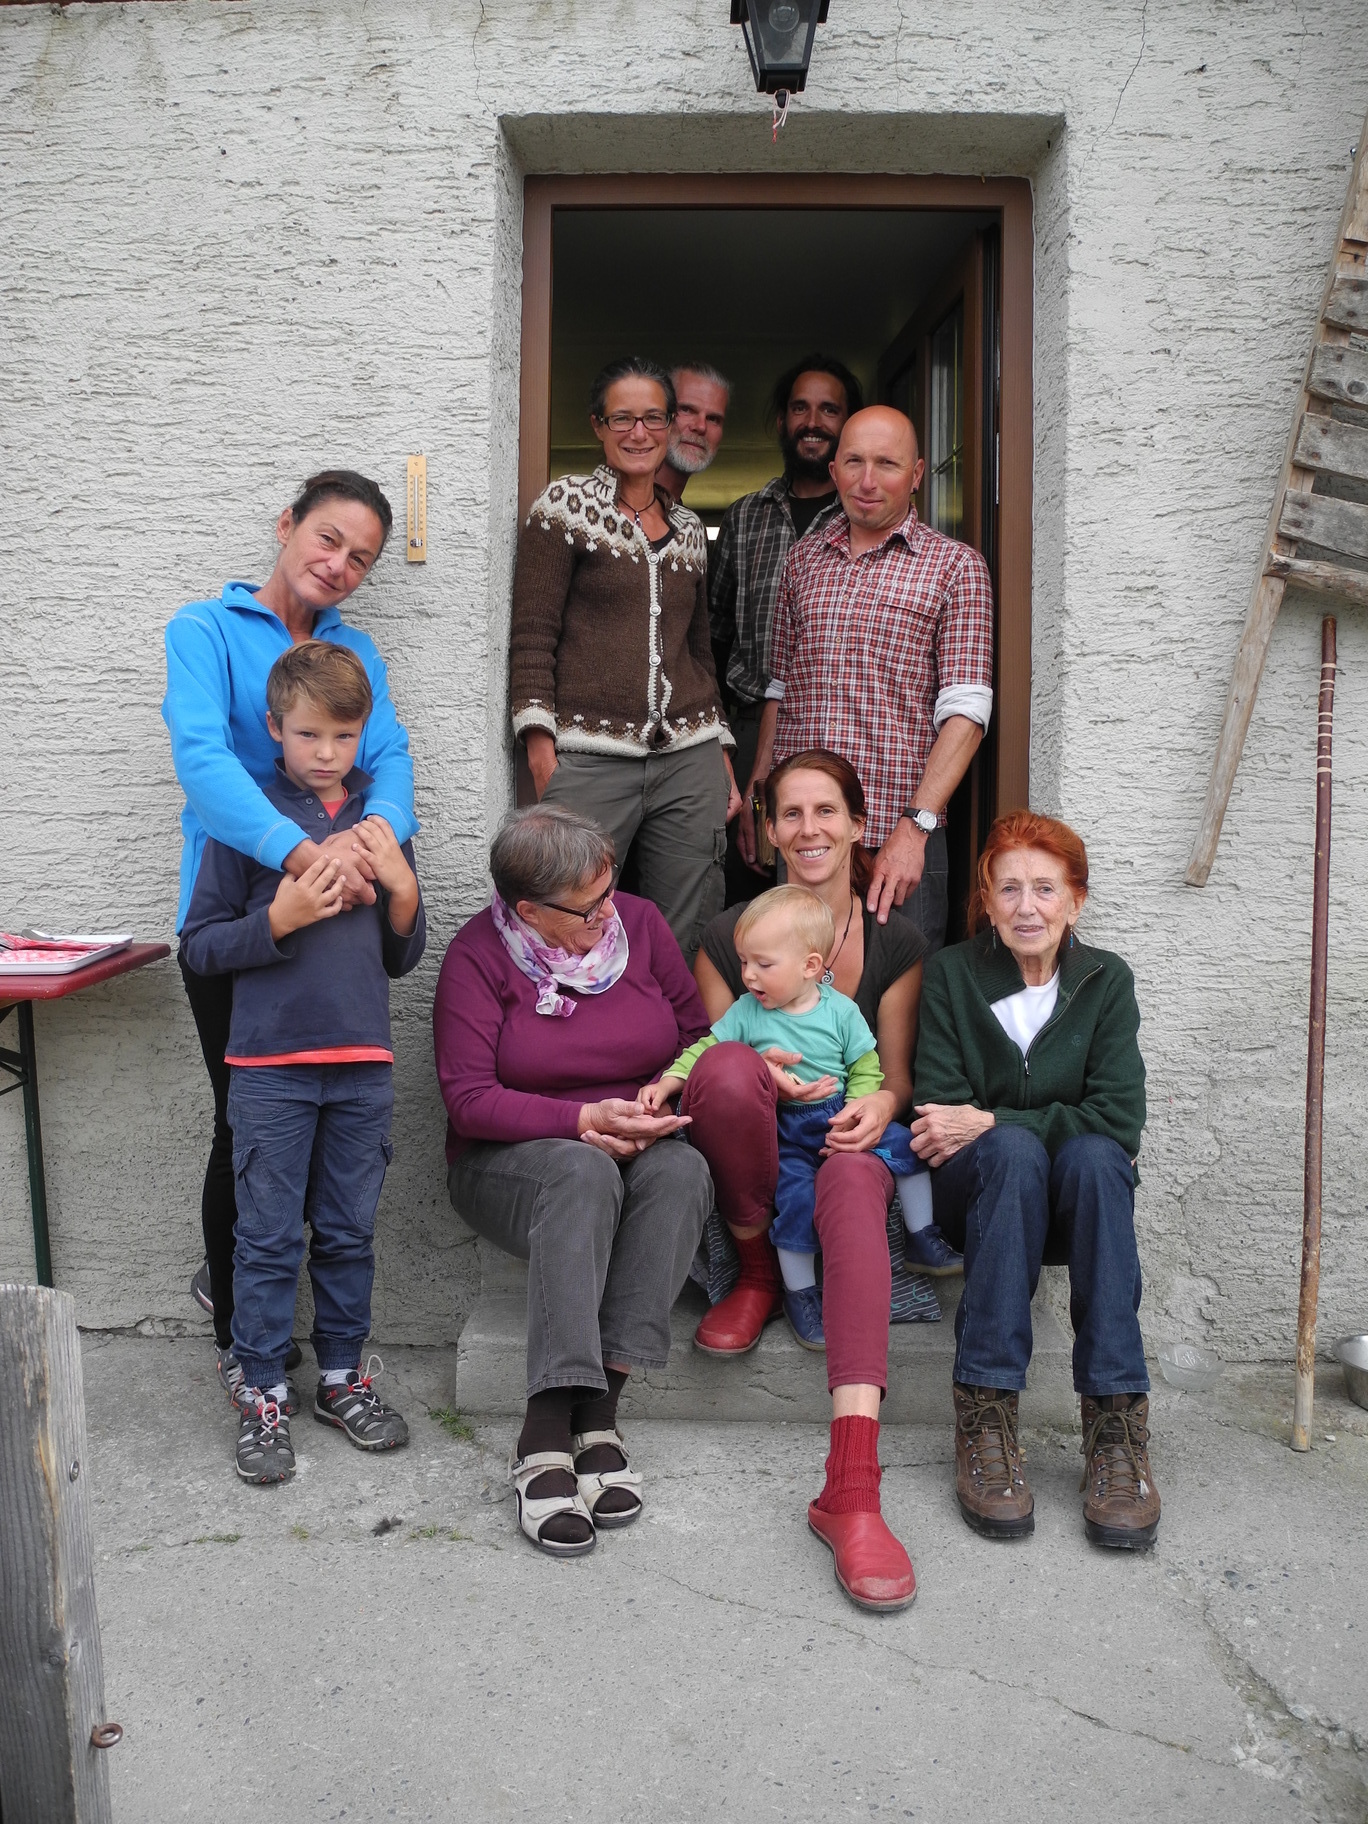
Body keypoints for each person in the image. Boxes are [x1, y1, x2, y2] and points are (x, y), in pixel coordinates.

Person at [163, 470, 417, 1403]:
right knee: (244, 1124)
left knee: (320, 1140)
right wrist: (305, 858)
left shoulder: (355, 655)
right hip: (246, 909)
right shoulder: (204, 630)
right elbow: (203, 761)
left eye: (362, 558)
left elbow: (391, 759)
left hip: (343, 912)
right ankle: (243, 1334)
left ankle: (291, 1320)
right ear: (287, 525)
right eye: (328, 539)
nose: (340, 564)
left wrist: (370, 843)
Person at [681, 750, 932, 1612]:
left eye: (827, 810)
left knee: (857, 1180)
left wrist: (878, 1107)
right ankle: (755, 1272)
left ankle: (852, 1490)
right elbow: (713, 1055)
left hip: (844, 1138)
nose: (809, 828)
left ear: (860, 825)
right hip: (760, 1146)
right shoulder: (730, 937)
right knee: (728, 1073)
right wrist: (762, 1068)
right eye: (790, 812)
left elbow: (895, 1074)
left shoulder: (896, 940)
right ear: (769, 830)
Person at [434, 805, 715, 1559]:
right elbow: (468, 1099)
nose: (607, 914)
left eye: (608, 892)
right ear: (529, 910)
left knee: (683, 1170)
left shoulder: (641, 925)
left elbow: (696, 1038)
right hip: (512, 1163)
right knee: (582, 1169)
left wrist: (658, 1103)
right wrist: (582, 1119)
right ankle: (544, 1432)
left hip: (636, 1137)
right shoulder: (477, 958)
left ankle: (600, 1411)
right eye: (586, 909)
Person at [180, 642, 425, 1483]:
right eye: (309, 733)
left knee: (349, 1233)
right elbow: (200, 946)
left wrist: (402, 891)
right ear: (275, 728)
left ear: (363, 733)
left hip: (362, 1068)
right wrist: (277, 921)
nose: (326, 752)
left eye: (344, 735)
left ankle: (341, 1378)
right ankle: (260, 1391)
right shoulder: (248, 823)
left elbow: (401, 957)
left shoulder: (379, 822)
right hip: (270, 1070)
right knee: (268, 1238)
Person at [912, 810, 1158, 1550]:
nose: (1027, 907)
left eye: (1045, 889)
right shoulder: (952, 975)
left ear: (1075, 901)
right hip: (978, 1198)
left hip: (1078, 1201)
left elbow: (1118, 1119)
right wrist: (1010, 1133)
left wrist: (991, 1119)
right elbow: (938, 1109)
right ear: (986, 901)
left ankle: (1115, 1426)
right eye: (1009, 888)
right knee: (1017, 1155)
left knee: (1098, 1158)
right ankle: (986, 1416)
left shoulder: (1106, 981)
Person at [510, 355, 742, 964]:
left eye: (652, 418)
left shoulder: (689, 528)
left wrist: (720, 747)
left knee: (685, 927)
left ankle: (672, 1028)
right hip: (588, 758)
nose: (638, 433)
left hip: (689, 759)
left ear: (670, 425)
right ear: (598, 425)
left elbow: (698, 650)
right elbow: (533, 634)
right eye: (622, 419)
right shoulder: (563, 508)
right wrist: (540, 745)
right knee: (570, 913)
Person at [745, 405, 994, 952]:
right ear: (834, 470)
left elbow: (968, 715)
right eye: (854, 461)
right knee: (797, 982)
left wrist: (915, 828)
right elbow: (780, 689)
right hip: (804, 837)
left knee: (898, 991)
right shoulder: (802, 561)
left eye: (887, 463)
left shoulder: (955, 567)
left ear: (917, 474)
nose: (867, 480)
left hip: (895, 839)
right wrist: (760, 793)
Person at [643, 883, 924, 1349]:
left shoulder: (842, 1012)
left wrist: (859, 1107)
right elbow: (708, 1050)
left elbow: (866, 1065)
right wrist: (670, 1081)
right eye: (744, 962)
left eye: (763, 964)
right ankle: (798, 1293)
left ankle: (923, 1234)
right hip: (785, 1132)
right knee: (795, 1201)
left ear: (810, 966)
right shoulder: (747, 1012)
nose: (749, 976)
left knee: (908, 1147)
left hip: (837, 1116)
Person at [712, 355, 862, 904]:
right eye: (800, 408)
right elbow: (712, 637)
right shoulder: (744, 516)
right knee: (748, 883)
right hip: (752, 727)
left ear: (849, 423)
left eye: (829, 409)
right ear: (782, 420)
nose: (813, 421)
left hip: (843, 726)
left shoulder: (864, 515)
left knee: (839, 884)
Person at [656, 362, 730, 504]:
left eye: (713, 419)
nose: (701, 427)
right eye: (686, 410)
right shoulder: (612, 504)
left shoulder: (684, 518)